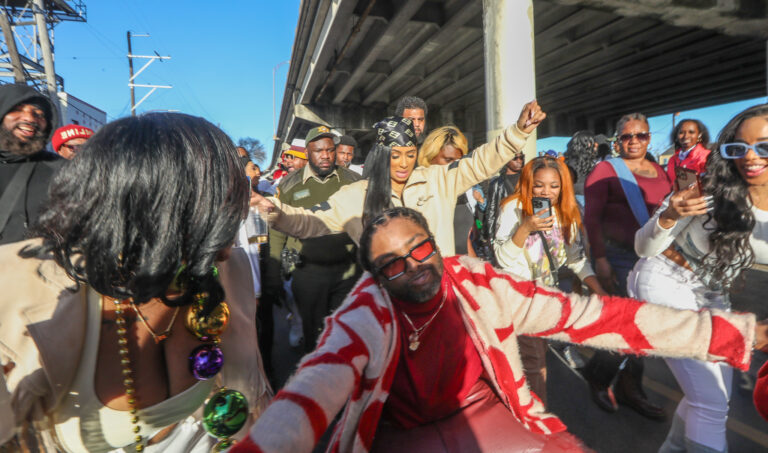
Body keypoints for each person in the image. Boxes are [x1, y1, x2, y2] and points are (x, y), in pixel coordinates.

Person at [230, 206, 763, 453]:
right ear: (374, 278)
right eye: (392, 264)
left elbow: (596, 318)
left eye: (420, 248)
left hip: (489, 416)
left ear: (435, 243)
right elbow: (311, 390)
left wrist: (725, 335)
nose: (413, 266)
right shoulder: (363, 313)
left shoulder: (481, 284)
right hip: (399, 437)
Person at [0, 113, 271, 451]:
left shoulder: (229, 268)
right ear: (152, 203)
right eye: (219, 208)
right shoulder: (17, 286)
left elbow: (252, 381)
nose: (230, 240)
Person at [630, 104, 768, 452]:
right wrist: (671, 213)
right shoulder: (709, 188)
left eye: (764, 146)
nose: (750, 157)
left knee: (712, 398)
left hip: (713, 297)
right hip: (664, 280)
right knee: (710, 402)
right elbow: (643, 247)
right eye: (738, 148)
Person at [252, 101, 547, 258]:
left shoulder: (437, 180)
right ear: (381, 155)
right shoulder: (357, 194)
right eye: (395, 156)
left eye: (409, 154)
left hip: (437, 298)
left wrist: (518, 132)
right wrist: (268, 208)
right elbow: (305, 221)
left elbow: (481, 162)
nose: (404, 163)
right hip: (385, 307)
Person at [493, 157, 608, 405]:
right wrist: (525, 228)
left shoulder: (567, 210)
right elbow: (502, 259)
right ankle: (538, 421)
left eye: (554, 185)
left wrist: (598, 289)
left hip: (547, 296)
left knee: (535, 355)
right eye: (539, 185)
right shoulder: (512, 208)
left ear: (563, 186)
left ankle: (520, 407)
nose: (546, 192)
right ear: (528, 184)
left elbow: (576, 259)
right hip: (519, 297)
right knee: (535, 363)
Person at [582, 113, 672, 419]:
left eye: (641, 135)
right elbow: (591, 219)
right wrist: (601, 260)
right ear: (617, 140)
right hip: (617, 257)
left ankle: (620, 381)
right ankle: (609, 380)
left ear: (649, 137)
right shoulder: (605, 170)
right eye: (626, 137)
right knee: (630, 323)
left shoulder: (659, 170)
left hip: (653, 258)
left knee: (641, 323)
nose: (634, 141)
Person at [264, 126, 362, 357]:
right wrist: (274, 271)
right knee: (314, 336)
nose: (326, 155)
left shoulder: (354, 180)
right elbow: (278, 231)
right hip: (308, 272)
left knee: (347, 330)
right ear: (308, 153)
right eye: (319, 151)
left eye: (330, 150)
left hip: (348, 272)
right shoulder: (289, 185)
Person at [0, 84, 61, 245]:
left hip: (31, 267)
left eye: (39, 114)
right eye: (18, 109)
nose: (30, 118)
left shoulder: (63, 171)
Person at [417, 125, 474, 255]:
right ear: (430, 158)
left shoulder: (461, 190)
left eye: (458, 161)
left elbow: (465, 242)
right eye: (448, 160)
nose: (454, 166)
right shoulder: (420, 193)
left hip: (460, 269)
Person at [563, 130, 598, 204]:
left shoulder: (567, 162)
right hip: (582, 199)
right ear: (588, 144)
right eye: (593, 141)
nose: (596, 144)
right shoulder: (587, 164)